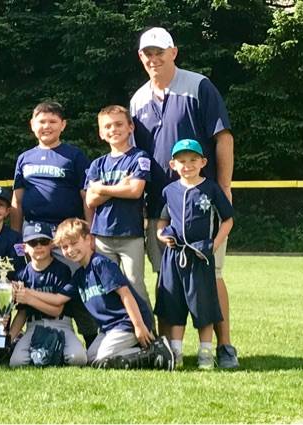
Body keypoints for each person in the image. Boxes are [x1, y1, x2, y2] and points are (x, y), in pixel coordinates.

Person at [130, 27, 238, 368]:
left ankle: (223, 347)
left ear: (174, 52)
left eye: (159, 52)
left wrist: (222, 187)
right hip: (162, 209)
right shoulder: (138, 99)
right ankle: (169, 351)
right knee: (167, 280)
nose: (153, 58)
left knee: (212, 274)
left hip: (201, 204)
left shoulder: (198, 86)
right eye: (147, 53)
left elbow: (222, 137)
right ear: (140, 58)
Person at [10, 101, 97, 348]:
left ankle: (90, 337)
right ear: (32, 125)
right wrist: (16, 237)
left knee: (75, 284)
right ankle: (25, 337)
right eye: (41, 121)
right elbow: (17, 198)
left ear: (63, 125)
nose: (46, 126)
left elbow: (85, 197)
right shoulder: (25, 158)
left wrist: (88, 232)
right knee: (33, 285)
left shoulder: (74, 155)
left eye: (52, 121)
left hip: (66, 231)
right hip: (34, 231)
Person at [52, 218, 174, 370]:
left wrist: (138, 326)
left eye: (74, 243)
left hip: (127, 322)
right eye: (64, 247)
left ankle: (154, 353)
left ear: (89, 239)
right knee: (90, 358)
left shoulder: (100, 264)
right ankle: (141, 350)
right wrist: (27, 294)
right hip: (110, 328)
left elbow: (126, 294)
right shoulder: (80, 275)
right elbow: (58, 299)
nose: (70, 250)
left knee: (103, 358)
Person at [155, 139, 234, 369]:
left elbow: (227, 219)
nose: (187, 165)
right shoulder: (169, 191)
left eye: (192, 160)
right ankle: (176, 351)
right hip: (175, 256)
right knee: (174, 303)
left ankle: (206, 352)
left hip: (200, 256)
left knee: (203, 304)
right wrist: (161, 235)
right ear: (172, 164)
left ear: (203, 162)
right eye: (181, 161)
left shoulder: (210, 188)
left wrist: (214, 245)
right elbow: (162, 221)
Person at [85, 105, 152, 310]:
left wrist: (102, 189)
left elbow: (135, 191)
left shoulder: (139, 157)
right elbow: (90, 200)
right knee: (107, 286)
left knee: (134, 283)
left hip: (131, 234)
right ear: (101, 133)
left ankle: (149, 334)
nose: (113, 129)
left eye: (119, 124)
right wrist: (119, 187)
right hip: (103, 235)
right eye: (108, 126)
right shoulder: (98, 164)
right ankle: (115, 330)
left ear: (130, 127)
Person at [8, 221, 87, 367]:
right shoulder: (23, 275)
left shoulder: (61, 270)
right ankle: (34, 348)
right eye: (33, 242)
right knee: (16, 362)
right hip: (34, 325)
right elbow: (22, 313)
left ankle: (53, 351)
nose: (38, 246)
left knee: (78, 359)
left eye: (43, 241)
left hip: (61, 324)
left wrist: (29, 297)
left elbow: (57, 309)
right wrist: (8, 339)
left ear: (51, 244)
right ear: (24, 247)